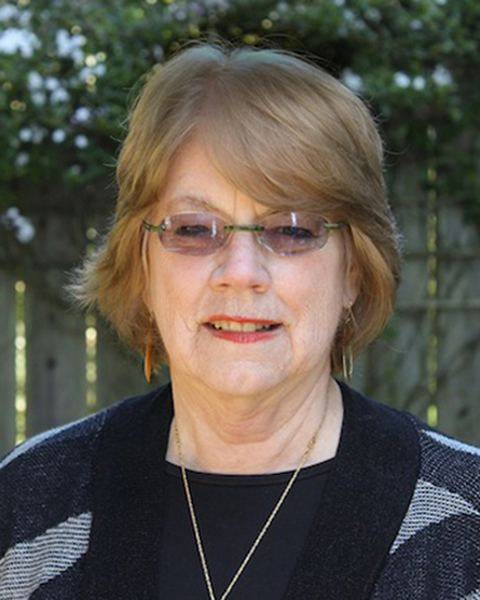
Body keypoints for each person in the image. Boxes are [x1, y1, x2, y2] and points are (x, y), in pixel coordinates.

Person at [1, 40, 479, 600]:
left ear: (354, 270)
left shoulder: (465, 528)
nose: (241, 272)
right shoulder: (28, 504)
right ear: (141, 264)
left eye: (292, 229)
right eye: (193, 229)